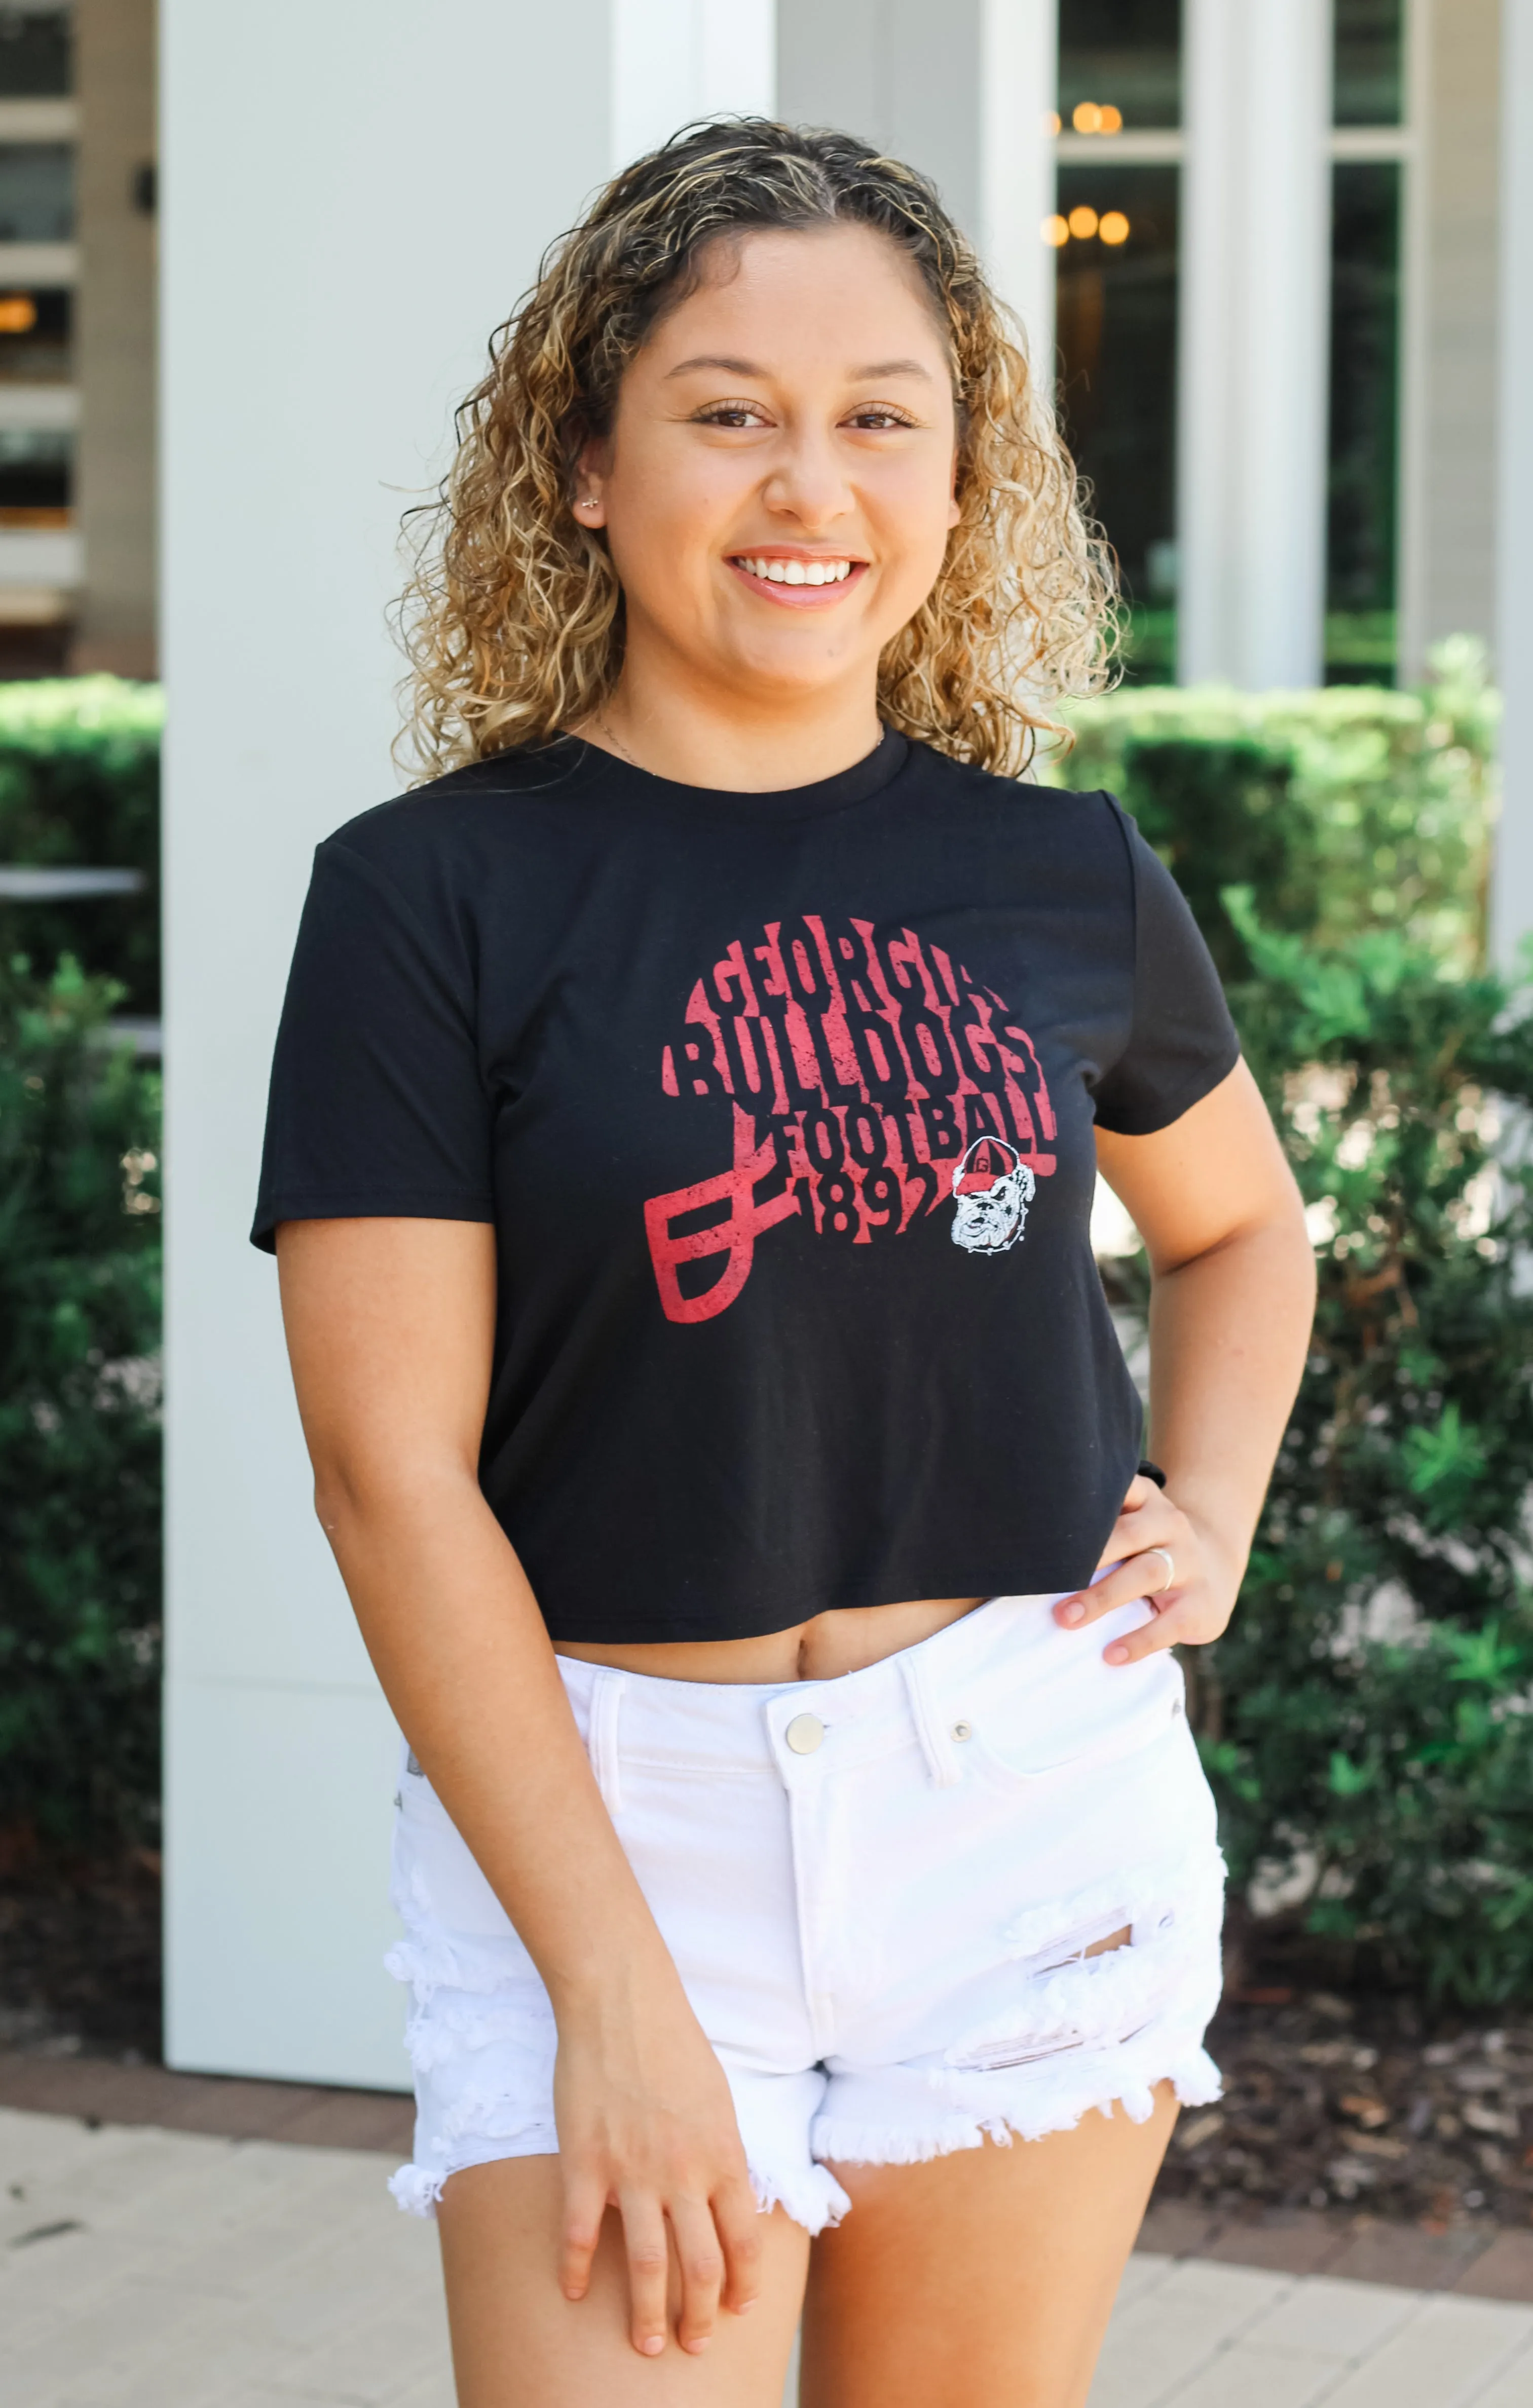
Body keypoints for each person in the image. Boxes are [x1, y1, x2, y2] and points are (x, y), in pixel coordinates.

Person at [253, 119, 1315, 2408]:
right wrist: (615, 1990)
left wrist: (1210, 1514)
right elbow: (388, 1479)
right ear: (584, 468)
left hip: (1028, 1798)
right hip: (604, 1811)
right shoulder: (429, 899)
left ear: (960, 483)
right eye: (726, 410)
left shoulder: (1059, 870)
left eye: (878, 421)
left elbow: (1240, 1234)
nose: (805, 484)